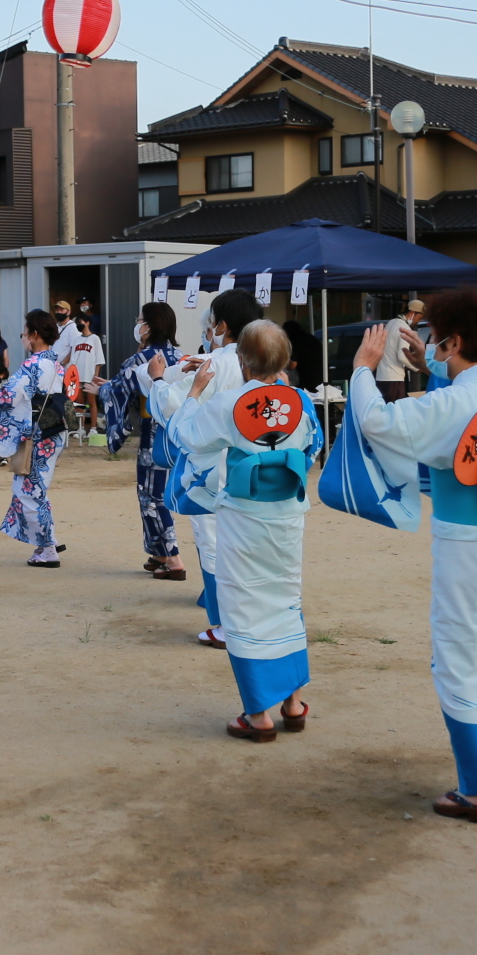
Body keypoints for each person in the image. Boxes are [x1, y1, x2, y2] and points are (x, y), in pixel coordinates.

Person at [346, 285, 477, 821]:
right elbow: (456, 412)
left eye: (433, 337)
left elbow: (381, 424)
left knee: (458, 656)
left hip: (468, 544)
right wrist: (429, 366)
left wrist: (363, 369)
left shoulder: (453, 401)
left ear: (452, 341)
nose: (426, 343)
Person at [178, 319, 318, 741]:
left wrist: (194, 393)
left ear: (241, 360)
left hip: (244, 512)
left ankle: (258, 714)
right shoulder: (301, 400)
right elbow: (313, 444)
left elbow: (188, 437)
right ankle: (292, 702)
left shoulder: (231, 403)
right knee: (284, 596)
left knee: (242, 606)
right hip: (288, 510)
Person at [153, 290, 264, 646]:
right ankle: (251, 615)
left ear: (222, 325)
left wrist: (157, 378)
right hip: (255, 467)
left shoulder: (215, 362)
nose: (209, 329)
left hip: (211, 468)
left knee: (213, 542)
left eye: (212, 322)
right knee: (249, 542)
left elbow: (173, 406)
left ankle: (224, 624)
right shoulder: (260, 361)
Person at [99, 300, 188, 581]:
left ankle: (173, 558)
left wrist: (102, 391)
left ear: (148, 327)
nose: (137, 325)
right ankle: (159, 553)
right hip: (181, 432)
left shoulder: (143, 358)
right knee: (160, 492)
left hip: (154, 433)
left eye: (140, 320)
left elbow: (118, 388)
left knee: (152, 496)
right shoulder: (182, 356)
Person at [0, 308, 71, 567]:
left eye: (25, 331)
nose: (23, 335)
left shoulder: (32, 365)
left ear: (33, 334)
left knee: (29, 490)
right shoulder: (55, 364)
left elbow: (9, 396)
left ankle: (49, 546)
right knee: (35, 488)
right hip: (53, 430)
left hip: (38, 435)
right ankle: (45, 545)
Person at [372, 298, 424, 402]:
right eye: (419, 317)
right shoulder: (404, 328)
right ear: (412, 313)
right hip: (394, 379)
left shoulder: (391, 323)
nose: (419, 321)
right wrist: (417, 368)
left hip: (381, 377)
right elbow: (402, 356)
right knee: (397, 413)